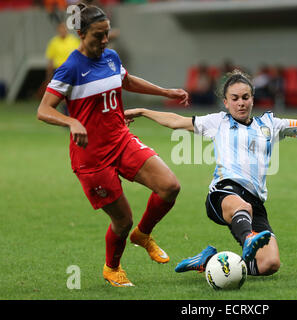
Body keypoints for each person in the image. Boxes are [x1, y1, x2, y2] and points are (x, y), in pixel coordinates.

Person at [124, 69, 297, 277]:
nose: (241, 103)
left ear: (252, 98)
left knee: (270, 264)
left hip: (255, 202)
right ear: (226, 102)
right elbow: (176, 121)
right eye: (235, 98)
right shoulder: (218, 122)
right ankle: (248, 236)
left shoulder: (271, 125)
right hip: (224, 193)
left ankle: (208, 260)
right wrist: (143, 111)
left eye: (245, 97)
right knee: (243, 206)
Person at [36, 3, 189, 287]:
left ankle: (143, 235)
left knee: (170, 187)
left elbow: (127, 80)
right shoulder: (70, 68)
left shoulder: (111, 57)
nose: (105, 40)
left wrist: (165, 91)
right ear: (82, 33)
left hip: (121, 140)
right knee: (122, 221)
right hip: (92, 157)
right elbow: (43, 110)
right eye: (98, 35)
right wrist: (71, 122)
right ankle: (112, 268)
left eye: (107, 34)